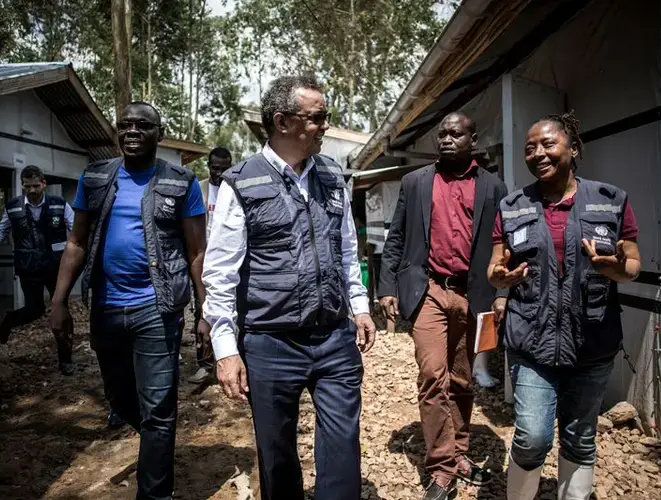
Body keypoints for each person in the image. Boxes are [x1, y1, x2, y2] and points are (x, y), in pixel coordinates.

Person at [203, 75, 376, 500]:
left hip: (334, 337)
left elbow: (346, 249)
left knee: (342, 450)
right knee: (277, 456)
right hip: (270, 342)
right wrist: (226, 351)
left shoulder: (334, 177)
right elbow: (220, 273)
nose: (325, 126)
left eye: (326, 117)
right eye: (317, 118)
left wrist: (359, 306)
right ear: (282, 122)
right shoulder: (240, 183)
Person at [49, 101, 208, 499]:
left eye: (143, 125)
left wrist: (207, 312)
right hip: (105, 306)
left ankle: (154, 492)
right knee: (119, 398)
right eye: (125, 125)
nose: (132, 131)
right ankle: (159, 440)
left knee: (157, 408)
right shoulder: (97, 177)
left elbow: (197, 253)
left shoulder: (181, 181)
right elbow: (76, 241)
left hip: (157, 308)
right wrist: (59, 301)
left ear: (159, 133)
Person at [488, 111, 641, 500]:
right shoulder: (511, 206)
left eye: (548, 144)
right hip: (531, 340)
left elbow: (633, 264)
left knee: (579, 437)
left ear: (573, 149)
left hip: (592, 341)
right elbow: (494, 267)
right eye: (530, 148)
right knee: (532, 436)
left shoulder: (611, 200)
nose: (538, 153)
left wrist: (618, 269)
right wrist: (499, 280)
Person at [378, 112, 508, 500]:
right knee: (433, 374)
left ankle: (461, 449)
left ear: (473, 138)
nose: (448, 139)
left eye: (456, 134)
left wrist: (501, 292)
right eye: (443, 134)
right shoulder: (415, 182)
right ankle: (442, 467)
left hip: (473, 294)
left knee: (463, 379)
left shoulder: (493, 187)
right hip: (429, 290)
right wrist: (388, 287)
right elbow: (396, 236)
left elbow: (505, 243)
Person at [0, 165, 75, 375]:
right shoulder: (13, 207)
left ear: (44, 183)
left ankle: (65, 359)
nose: (32, 191)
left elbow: (75, 228)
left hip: (56, 267)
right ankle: (9, 320)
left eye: (36, 185)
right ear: (22, 186)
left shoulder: (59, 204)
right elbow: (1, 230)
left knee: (61, 310)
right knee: (35, 309)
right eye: (27, 186)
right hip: (29, 267)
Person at [188, 146, 233, 385]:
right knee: (202, 310)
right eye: (215, 169)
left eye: (225, 169)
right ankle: (204, 364)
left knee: (233, 312)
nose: (220, 174)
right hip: (204, 264)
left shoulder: (236, 188)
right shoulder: (200, 189)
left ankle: (230, 360)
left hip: (231, 262)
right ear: (209, 167)